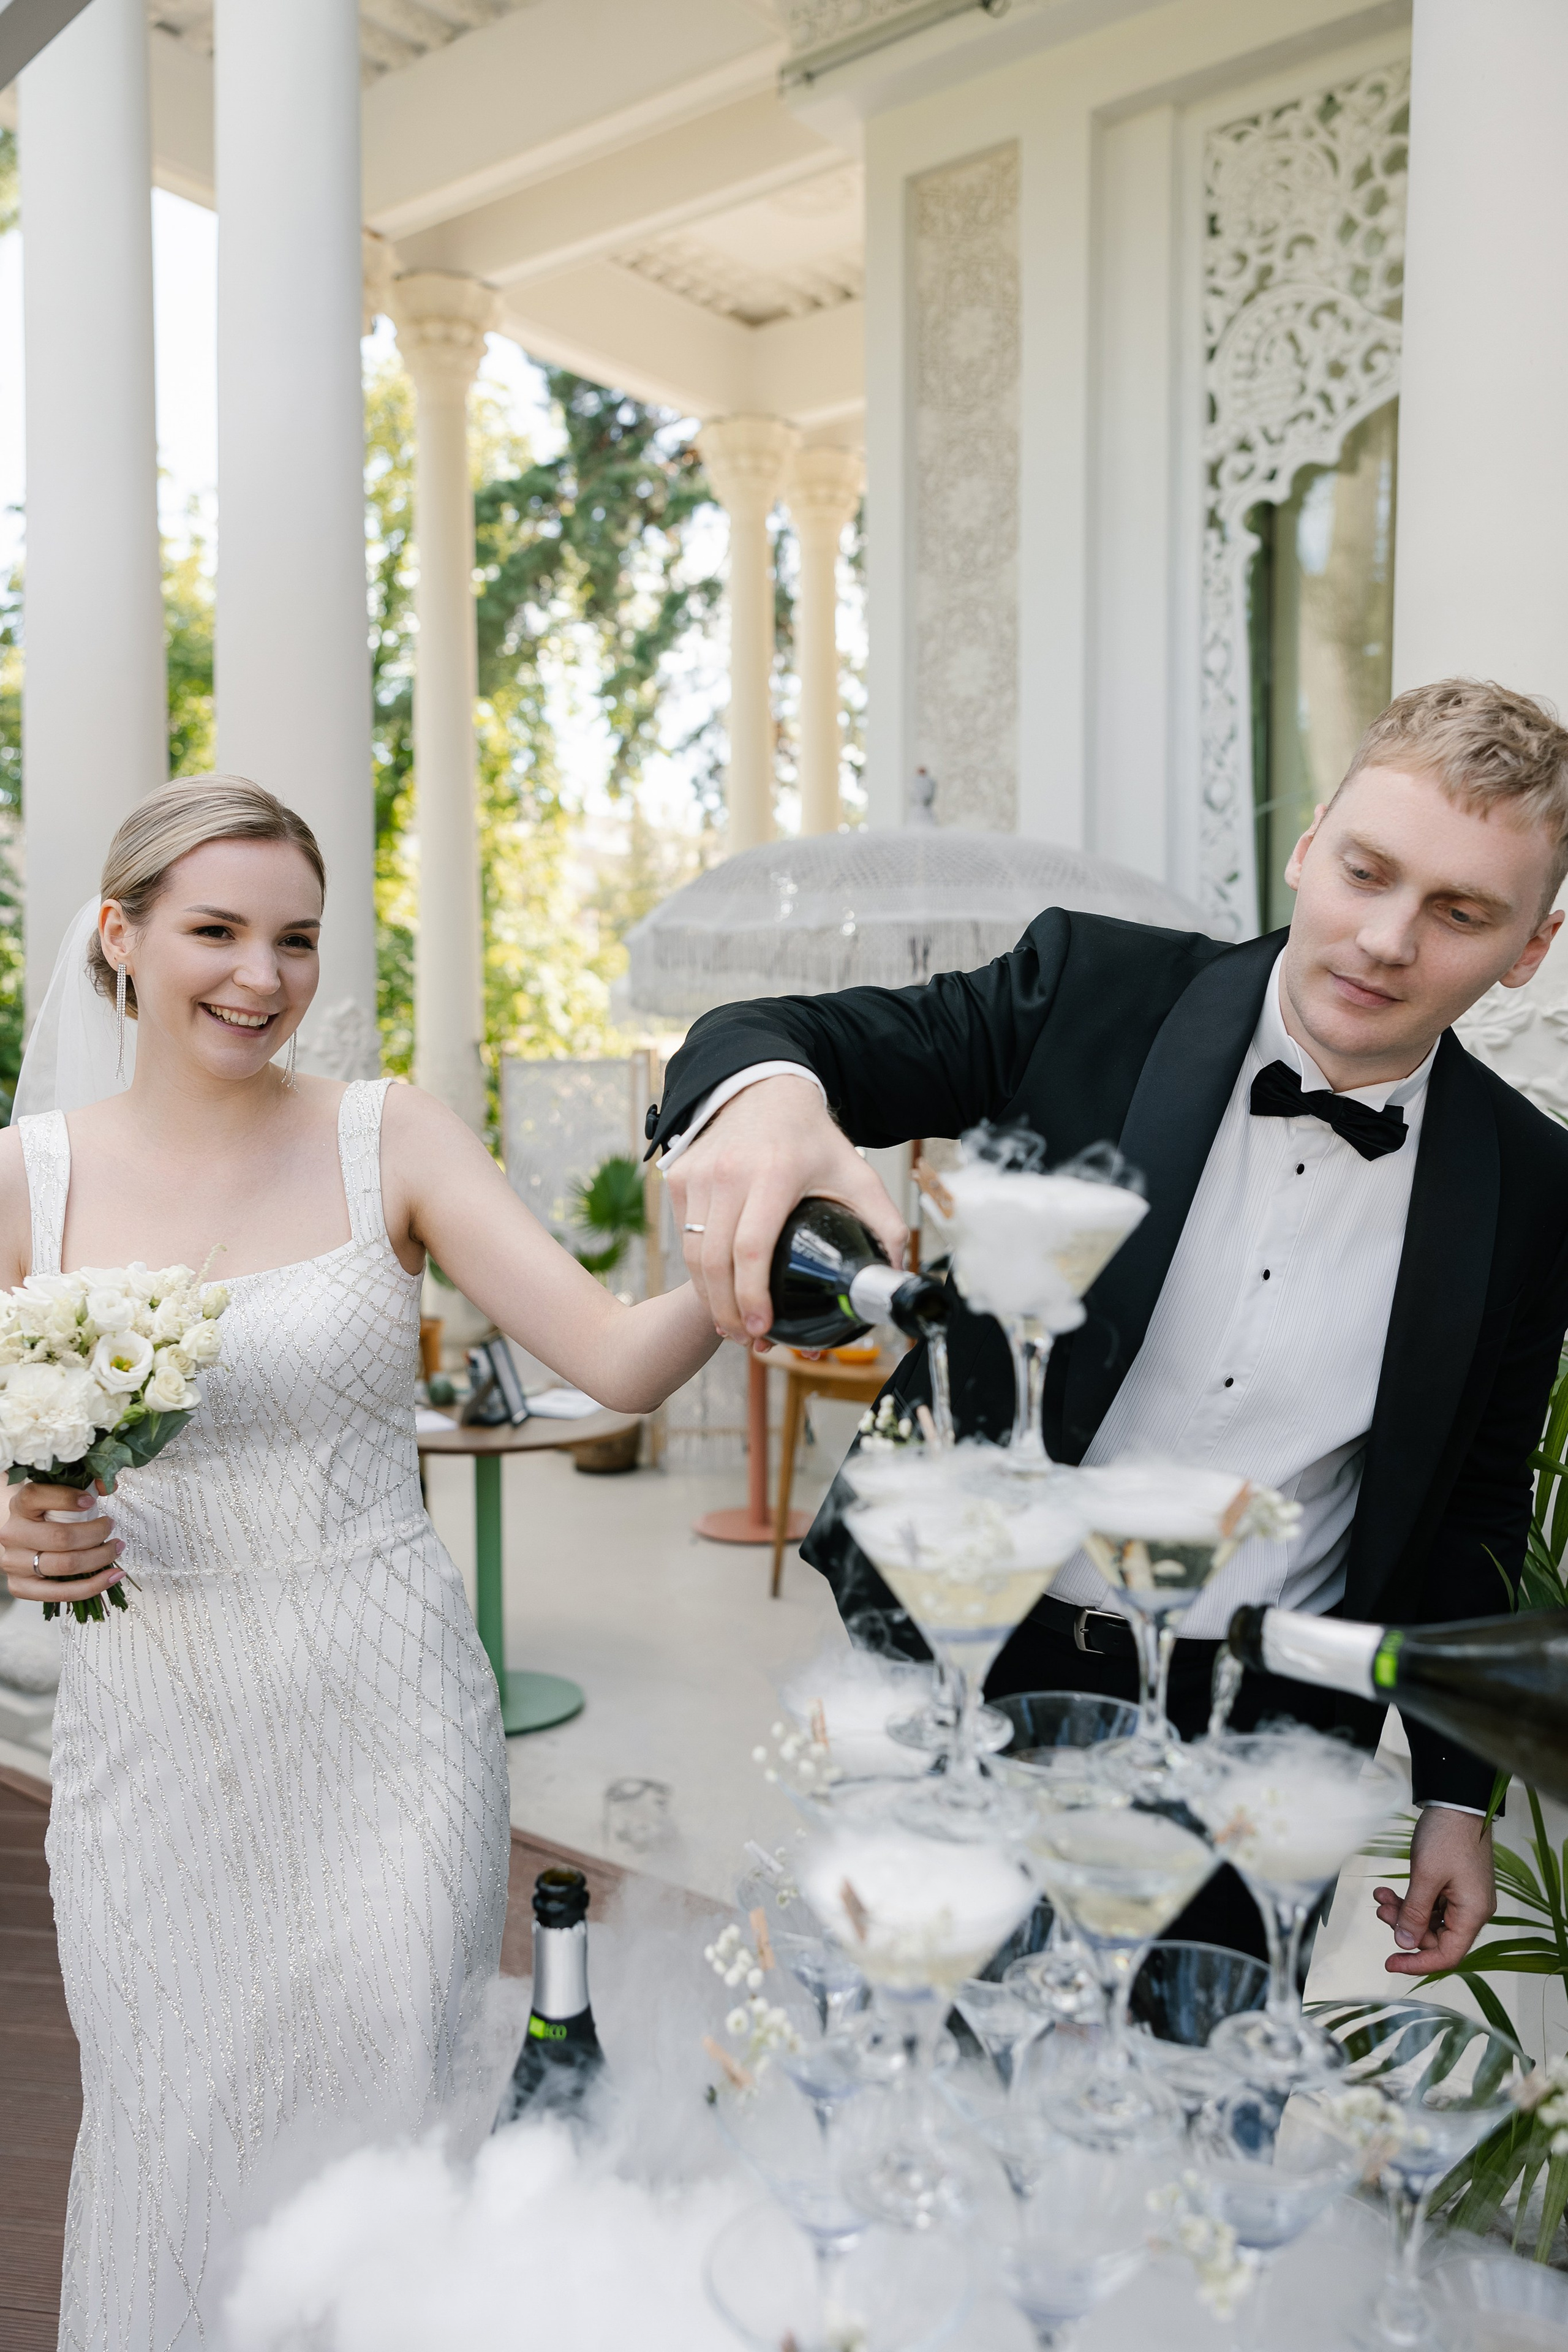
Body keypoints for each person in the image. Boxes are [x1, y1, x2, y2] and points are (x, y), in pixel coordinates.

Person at [652, 678, 1568, 1977]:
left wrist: (1455, 1797)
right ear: (1308, 847)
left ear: (1526, 948)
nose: (1382, 938)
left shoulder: (1529, 1185)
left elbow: (1470, 1505)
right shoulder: (1090, 988)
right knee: (913, 2070)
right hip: (961, 1656)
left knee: (1201, 2122)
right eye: (1364, 872)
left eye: (1458, 912)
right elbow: (796, 1039)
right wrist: (761, 1100)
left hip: (1260, 1730)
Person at [0, 776, 723, 2352]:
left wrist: (737, 1269)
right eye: (216, 931)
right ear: (120, 938)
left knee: (398, 2112)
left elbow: (609, 1352)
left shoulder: (379, 1132)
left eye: (297, 939)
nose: (260, 976)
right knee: (176, 2120)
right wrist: (14, 1527)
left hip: (384, 1720)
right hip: (156, 1739)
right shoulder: (29, 1179)